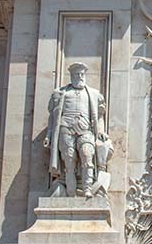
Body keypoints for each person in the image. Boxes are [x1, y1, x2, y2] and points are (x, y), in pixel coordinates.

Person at [44, 62, 107, 198]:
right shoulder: (60, 93)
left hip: (86, 130)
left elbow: (100, 116)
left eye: (82, 74)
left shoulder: (94, 94)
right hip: (66, 129)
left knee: (87, 155)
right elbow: (53, 118)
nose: (80, 76)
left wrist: (100, 131)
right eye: (77, 74)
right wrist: (49, 135)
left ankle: (87, 189)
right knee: (69, 161)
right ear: (72, 76)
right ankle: (71, 192)